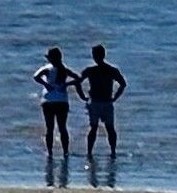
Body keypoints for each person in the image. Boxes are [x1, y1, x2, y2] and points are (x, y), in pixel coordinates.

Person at [79, 48, 127, 185]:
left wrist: (82, 96)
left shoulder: (93, 70)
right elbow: (123, 84)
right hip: (103, 101)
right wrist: (115, 97)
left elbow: (77, 81)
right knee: (106, 128)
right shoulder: (109, 70)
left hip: (98, 101)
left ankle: (94, 152)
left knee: (98, 128)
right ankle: (109, 152)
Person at [38, 49, 79, 184]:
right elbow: (78, 78)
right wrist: (67, 84)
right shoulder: (64, 69)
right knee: (62, 128)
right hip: (62, 101)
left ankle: (50, 152)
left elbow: (35, 77)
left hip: (48, 100)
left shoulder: (47, 68)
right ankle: (65, 152)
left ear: (50, 58)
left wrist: (46, 85)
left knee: (49, 128)